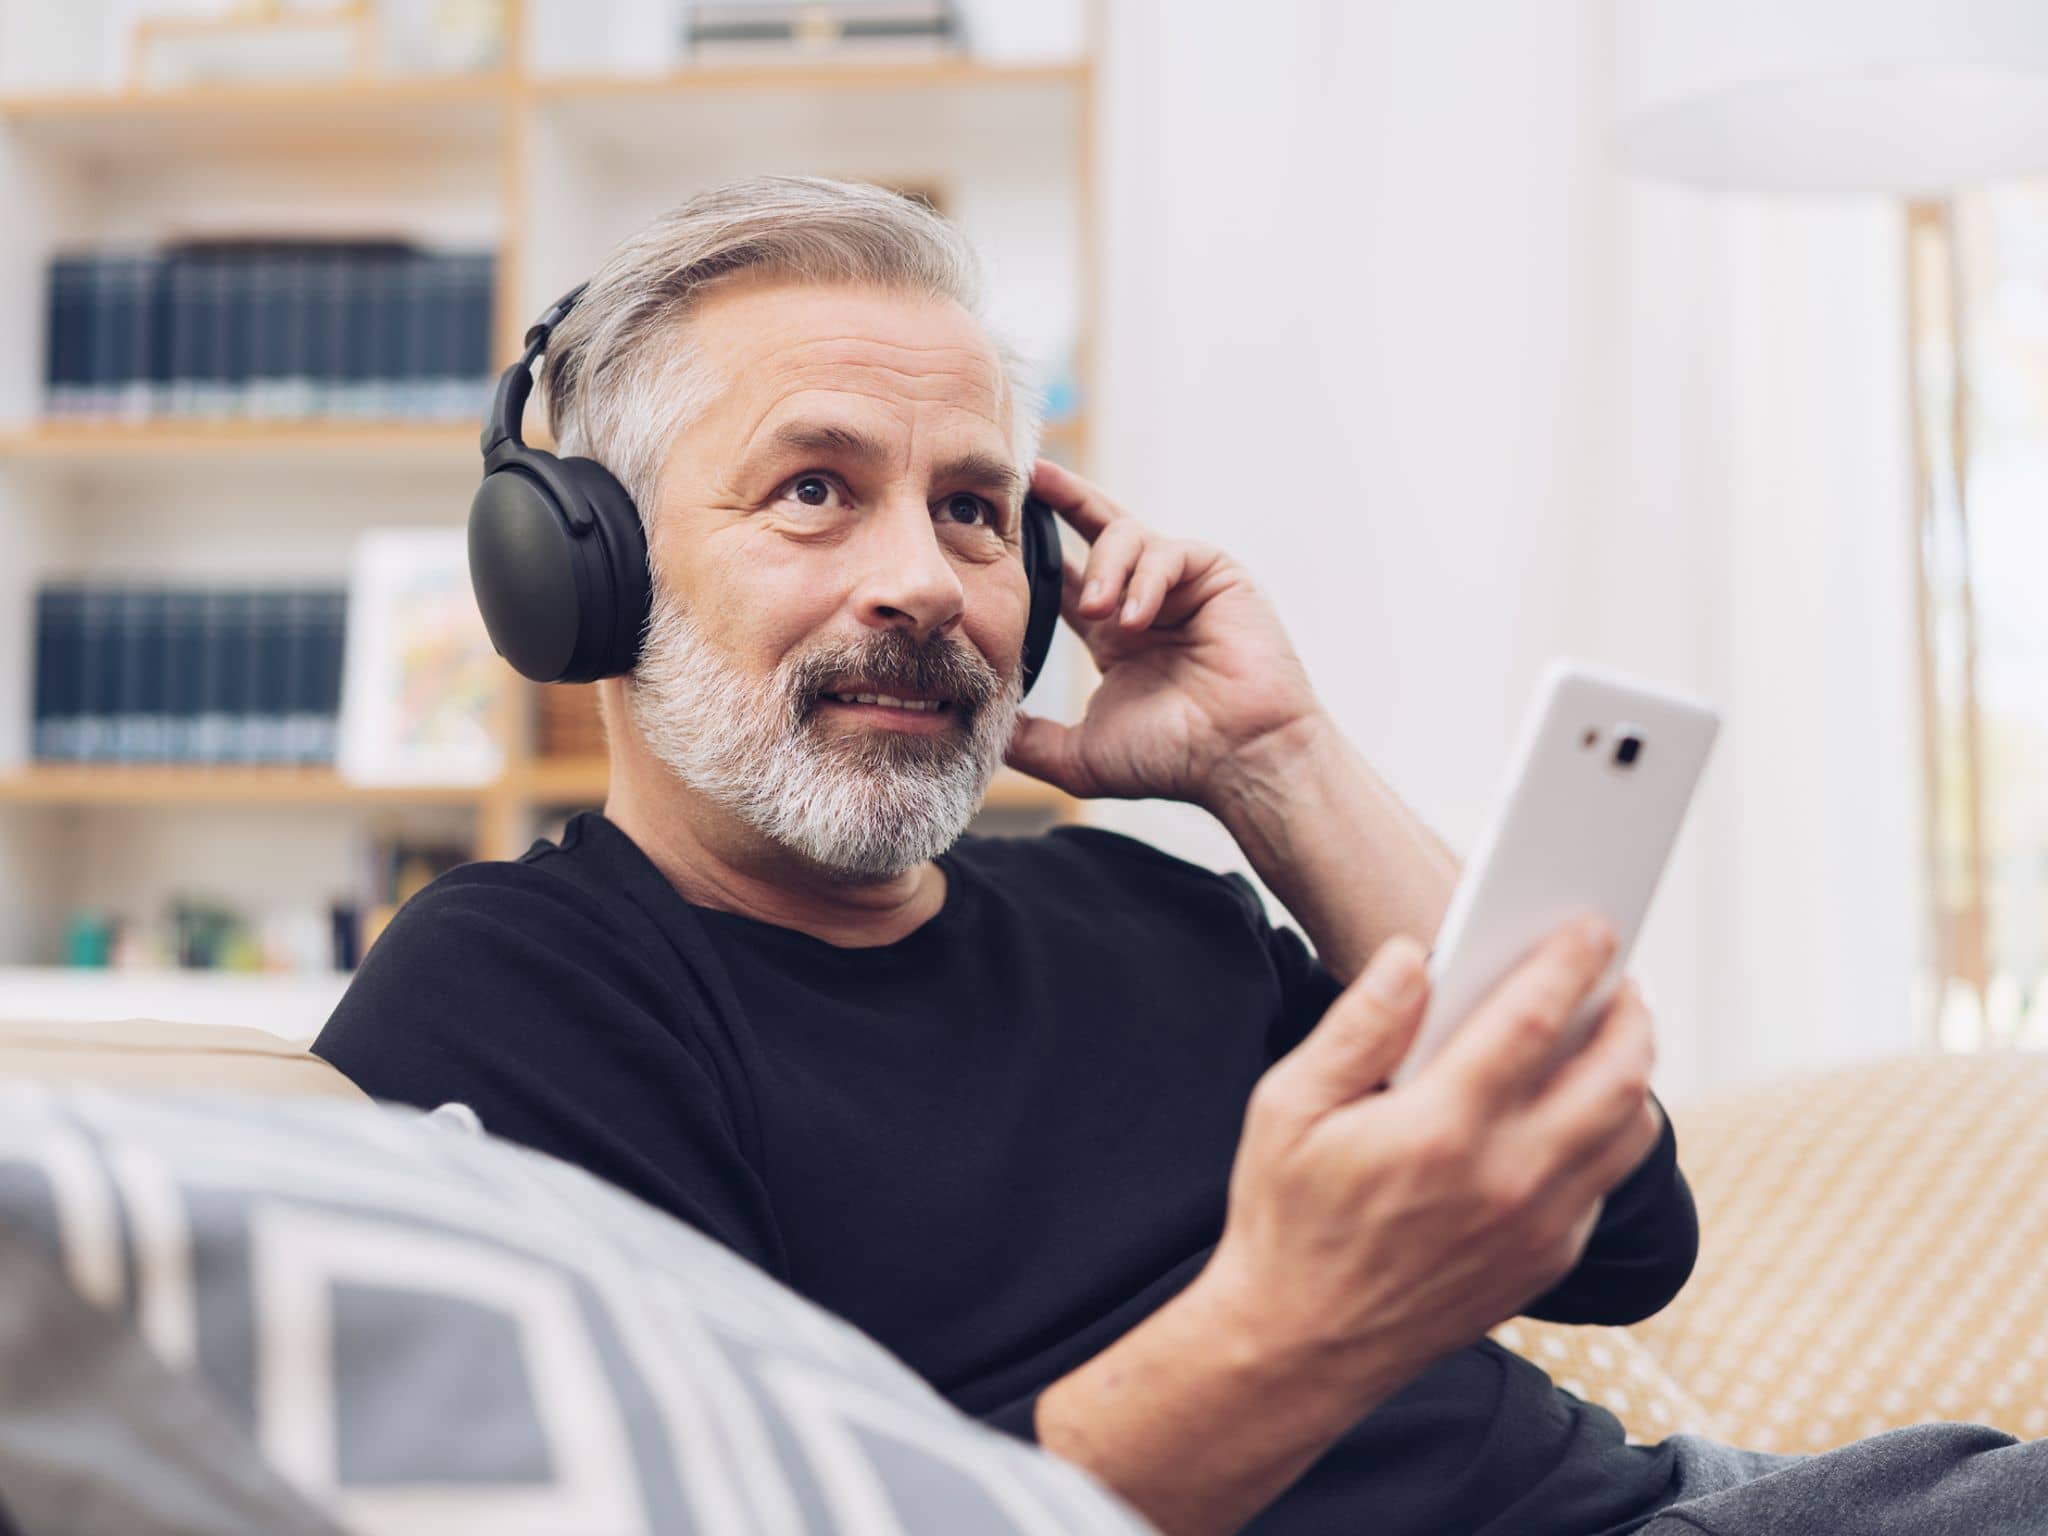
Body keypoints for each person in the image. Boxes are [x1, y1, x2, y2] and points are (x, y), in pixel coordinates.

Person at [316, 176, 2045, 1536]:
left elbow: (1620, 1230)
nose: (924, 579)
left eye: (977, 510)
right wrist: (1304, 1324)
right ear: (583, 572)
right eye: (815, 491)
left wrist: (1271, 764)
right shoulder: (511, 997)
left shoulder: (1147, 905)